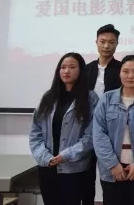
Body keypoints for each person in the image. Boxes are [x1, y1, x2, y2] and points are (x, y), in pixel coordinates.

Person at [29, 53, 98, 205]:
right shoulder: (48, 97)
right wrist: (44, 157)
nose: (66, 71)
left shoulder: (90, 98)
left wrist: (65, 155)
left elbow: (91, 136)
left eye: (72, 67)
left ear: (81, 71)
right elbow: (35, 132)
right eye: (63, 67)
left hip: (74, 168)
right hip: (48, 166)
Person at [93, 55, 134, 205]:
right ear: (119, 73)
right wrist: (112, 164)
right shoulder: (106, 99)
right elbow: (98, 134)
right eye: (126, 71)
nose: (130, 76)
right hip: (112, 170)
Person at [84, 24, 122, 205]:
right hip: (86, 129)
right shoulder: (86, 69)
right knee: (85, 176)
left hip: (111, 130)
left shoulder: (122, 69)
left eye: (111, 42)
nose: (107, 46)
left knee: (110, 177)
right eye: (103, 41)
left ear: (117, 44)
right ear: (96, 42)